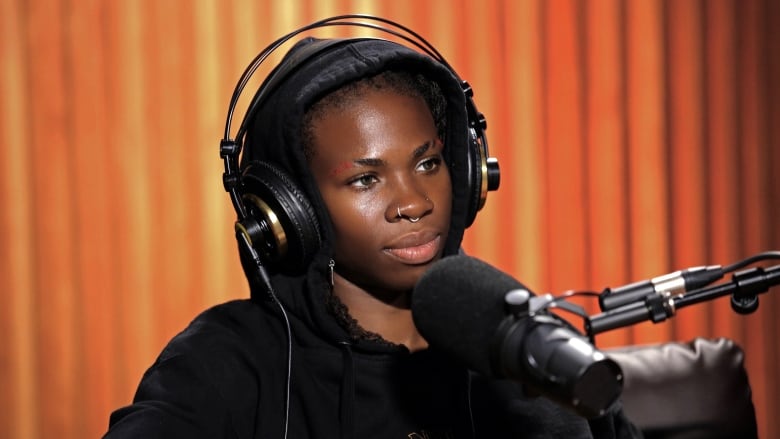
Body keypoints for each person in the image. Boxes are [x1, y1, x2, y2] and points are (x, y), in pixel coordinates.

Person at [105, 17, 641, 439]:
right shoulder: (224, 363)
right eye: (365, 180)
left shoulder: (528, 346)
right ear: (290, 210)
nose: (413, 203)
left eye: (428, 163)